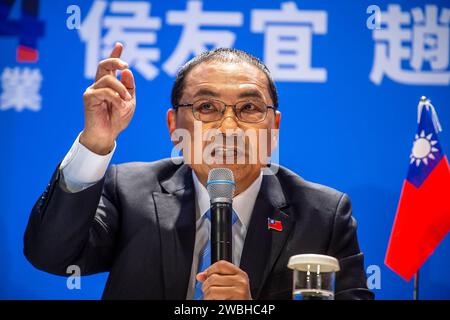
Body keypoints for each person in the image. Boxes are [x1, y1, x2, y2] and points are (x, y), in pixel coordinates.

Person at [24, 43, 373, 300]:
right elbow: (51, 255)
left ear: (274, 128)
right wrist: (96, 141)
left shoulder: (323, 215)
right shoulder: (129, 191)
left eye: (249, 108)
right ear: (174, 125)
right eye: (207, 107)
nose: (228, 126)